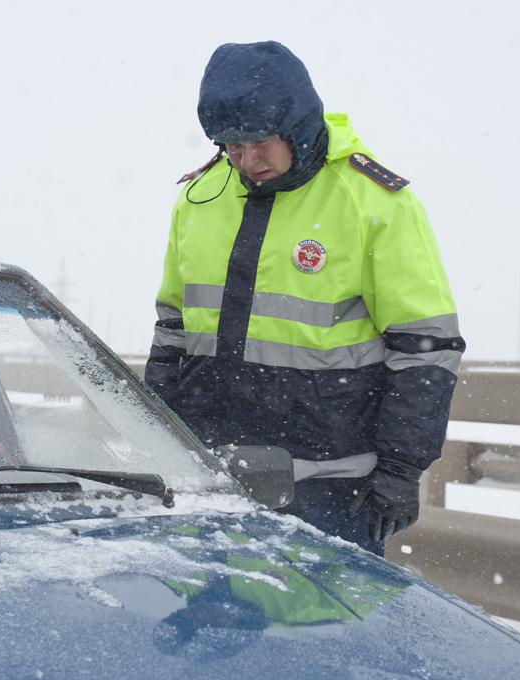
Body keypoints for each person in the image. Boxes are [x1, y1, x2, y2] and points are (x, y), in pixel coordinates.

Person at [147, 41, 465, 555]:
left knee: (324, 633)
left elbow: (425, 346)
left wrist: (403, 467)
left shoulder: (374, 202)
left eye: (260, 143)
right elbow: (173, 331)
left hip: (329, 492)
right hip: (207, 482)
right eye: (230, 145)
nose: (246, 161)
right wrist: (152, 437)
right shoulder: (197, 200)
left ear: (296, 124)